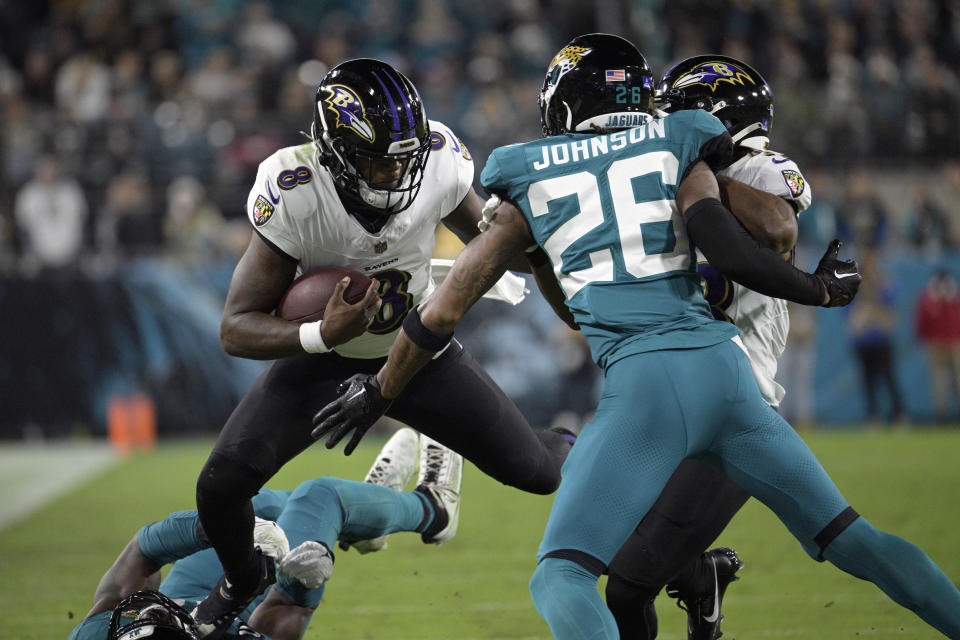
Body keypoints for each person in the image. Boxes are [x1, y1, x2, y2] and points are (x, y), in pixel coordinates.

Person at [313, 34, 960, 639]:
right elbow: (729, 242)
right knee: (854, 540)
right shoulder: (677, 139)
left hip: (645, 382)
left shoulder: (527, 170)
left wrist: (380, 389)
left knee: (561, 575)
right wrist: (818, 289)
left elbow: (442, 311)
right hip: (728, 376)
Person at [191, 58, 573, 638]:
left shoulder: (440, 160)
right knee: (218, 489)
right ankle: (244, 579)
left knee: (540, 473)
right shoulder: (295, 189)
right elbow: (235, 327)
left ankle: (597, 443)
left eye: (405, 159)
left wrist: (548, 229)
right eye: (377, 160)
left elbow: (499, 244)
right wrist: (322, 334)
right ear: (335, 153)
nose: (397, 175)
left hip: (416, 353)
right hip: (319, 361)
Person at [602, 53, 813, 640]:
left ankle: (697, 576)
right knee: (605, 535)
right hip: (667, 394)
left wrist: (701, 169)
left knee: (627, 585)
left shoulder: (764, 173)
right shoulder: (666, 178)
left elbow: (775, 230)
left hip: (734, 409)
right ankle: (702, 577)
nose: (660, 128)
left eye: (675, 116)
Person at [69, 428, 462, 640]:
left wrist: (211, 529)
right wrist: (302, 582)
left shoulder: (100, 632)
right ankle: (433, 508)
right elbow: (286, 612)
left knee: (263, 508)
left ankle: (365, 519)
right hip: (245, 614)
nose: (160, 613)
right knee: (318, 497)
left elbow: (142, 551)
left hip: (193, 593)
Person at [915, 269, 960, 422]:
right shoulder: (930, 298)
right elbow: (923, 321)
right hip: (936, 343)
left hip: (952, 342)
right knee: (939, 382)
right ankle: (942, 416)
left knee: (955, 380)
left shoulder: (952, 297)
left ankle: (946, 415)